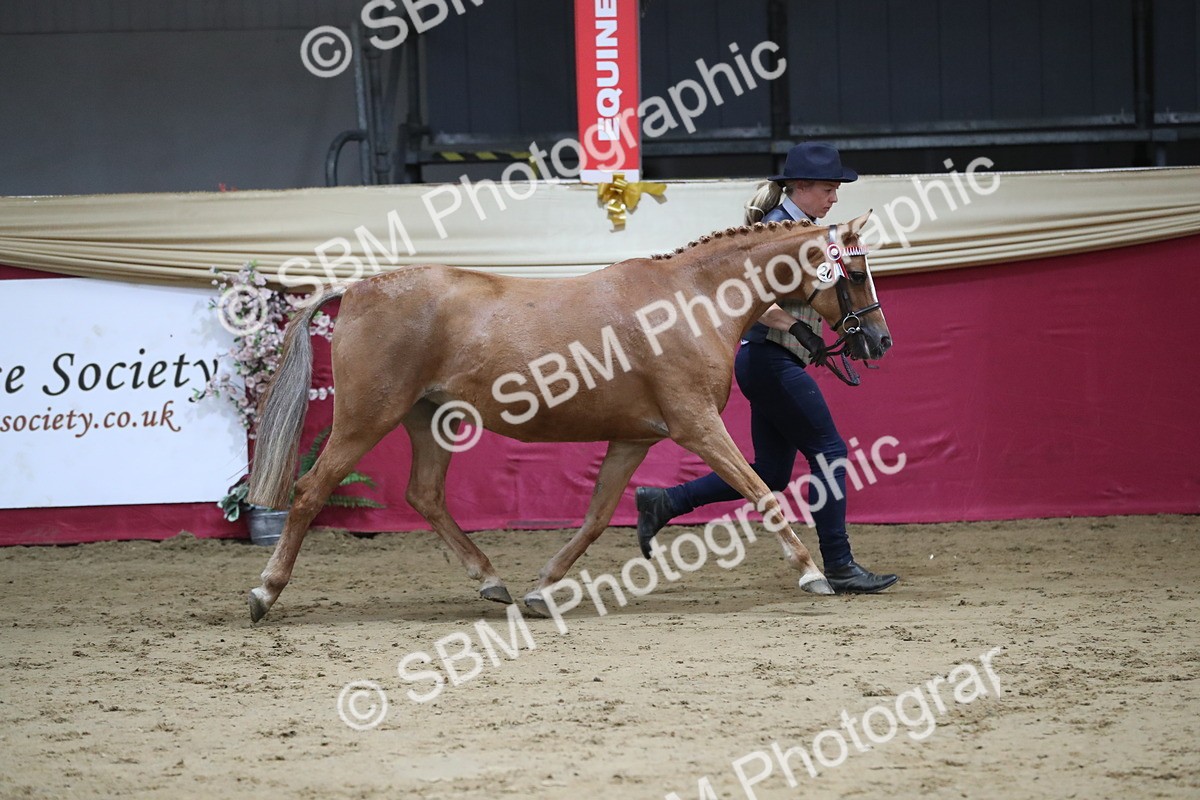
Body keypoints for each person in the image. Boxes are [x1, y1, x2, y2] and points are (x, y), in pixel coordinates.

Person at [634, 142, 898, 594]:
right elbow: (742, 299)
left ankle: (665, 501)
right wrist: (799, 329)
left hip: (773, 360)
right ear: (800, 186)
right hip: (770, 359)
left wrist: (838, 329)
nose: (834, 198)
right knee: (831, 453)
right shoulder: (776, 234)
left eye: (836, 190)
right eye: (829, 189)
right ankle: (838, 563)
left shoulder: (805, 231)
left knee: (772, 473)